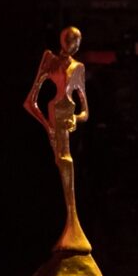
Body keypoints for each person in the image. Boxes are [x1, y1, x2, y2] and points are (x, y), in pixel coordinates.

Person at [24, 26, 93, 253]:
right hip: (56, 117)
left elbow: (85, 112)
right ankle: (70, 222)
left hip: (66, 117)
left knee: (67, 161)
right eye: (71, 40)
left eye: (77, 41)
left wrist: (75, 118)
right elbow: (30, 102)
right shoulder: (50, 61)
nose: (73, 45)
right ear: (63, 41)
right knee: (63, 161)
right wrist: (48, 126)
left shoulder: (78, 68)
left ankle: (73, 222)